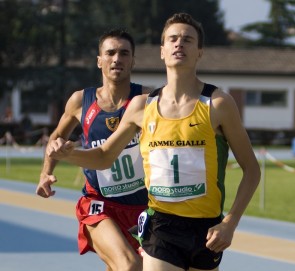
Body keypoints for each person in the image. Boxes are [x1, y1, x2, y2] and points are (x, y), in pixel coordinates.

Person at [47, 13, 261, 271]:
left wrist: (230, 223)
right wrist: (68, 153)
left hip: (206, 229)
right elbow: (104, 156)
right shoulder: (141, 106)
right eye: (172, 39)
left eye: (187, 40)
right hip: (161, 225)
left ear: (199, 51)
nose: (179, 44)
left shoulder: (218, 104)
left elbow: (252, 169)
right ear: (162, 51)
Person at [36, 29, 151, 271]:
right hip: (99, 204)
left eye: (124, 53)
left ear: (133, 60)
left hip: (142, 207)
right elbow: (57, 136)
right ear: (99, 60)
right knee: (130, 266)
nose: (116, 59)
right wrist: (46, 173)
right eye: (110, 53)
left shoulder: (147, 101)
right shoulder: (80, 101)